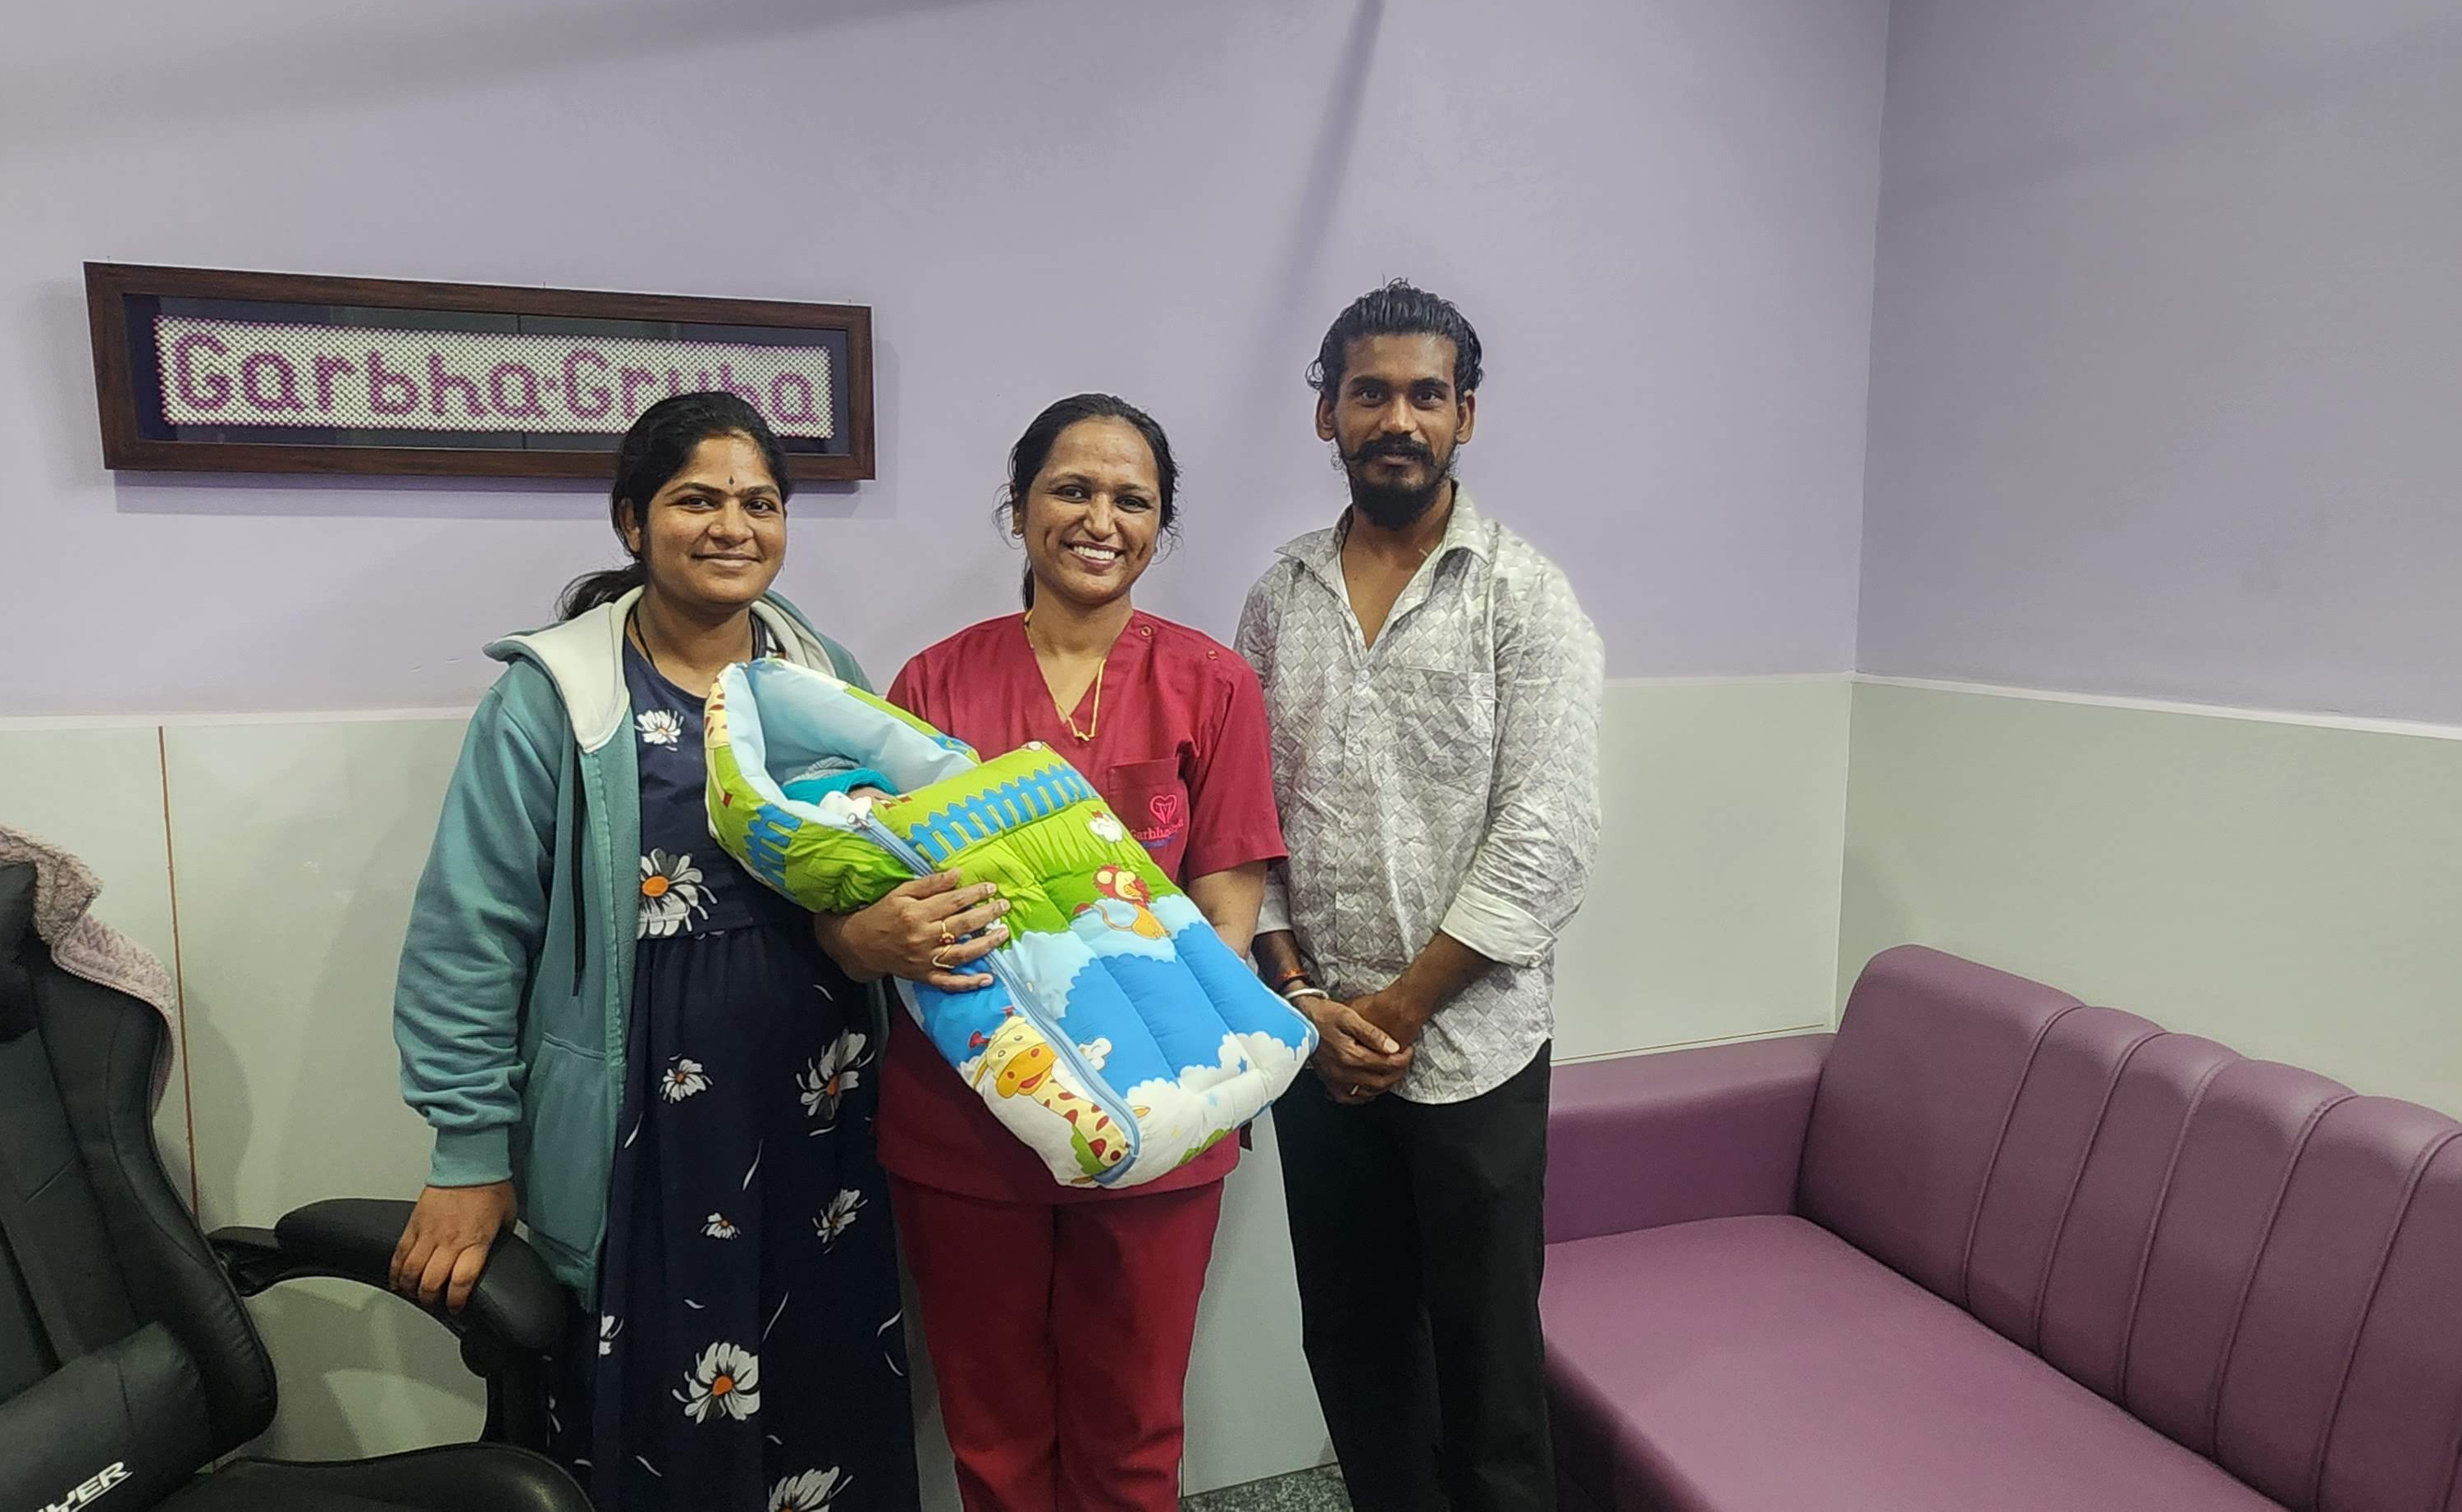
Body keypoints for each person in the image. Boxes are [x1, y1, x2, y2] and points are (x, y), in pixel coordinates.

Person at [386, 392, 993, 1512]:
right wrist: (469, 1150)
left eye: (759, 504)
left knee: (825, 1389)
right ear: (632, 523)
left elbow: (871, 860)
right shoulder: (552, 700)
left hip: (822, 1104)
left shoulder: (820, 670)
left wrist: (883, 932)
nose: (731, 527)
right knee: (669, 1420)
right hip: (648, 1126)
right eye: (694, 500)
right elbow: (470, 932)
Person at [879, 394, 1290, 1511]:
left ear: (1159, 524)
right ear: (1018, 509)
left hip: (1157, 1108)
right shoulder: (932, 683)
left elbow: (1226, 920)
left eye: (1130, 497)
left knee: (1133, 1426)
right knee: (994, 1427)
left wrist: (1169, 1083)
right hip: (967, 1113)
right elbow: (893, 886)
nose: (1098, 517)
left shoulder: (1213, 685)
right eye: (1070, 488)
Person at [1239, 284, 1605, 1512]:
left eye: (1425, 395)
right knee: (1351, 1344)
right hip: (1311, 1046)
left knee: (1490, 1365)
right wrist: (1303, 996)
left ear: (1466, 417)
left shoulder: (1525, 595)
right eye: (1370, 393)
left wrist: (1394, 1010)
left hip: (1474, 1047)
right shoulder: (1278, 596)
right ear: (1327, 414)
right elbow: (1251, 826)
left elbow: (1547, 839)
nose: (1398, 417)